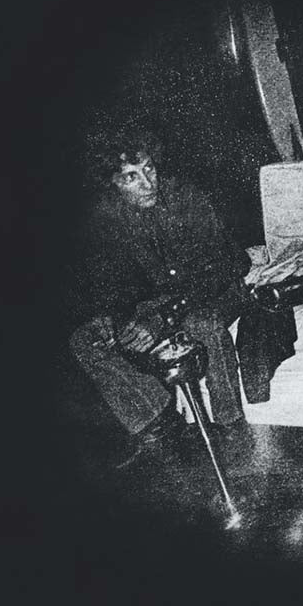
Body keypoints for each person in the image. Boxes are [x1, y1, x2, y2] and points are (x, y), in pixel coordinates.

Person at [69, 125, 252, 469]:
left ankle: (233, 428)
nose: (148, 183)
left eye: (149, 168)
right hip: (166, 300)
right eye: (131, 177)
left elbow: (228, 265)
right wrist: (114, 317)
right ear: (112, 184)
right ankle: (159, 422)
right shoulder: (108, 216)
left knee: (203, 324)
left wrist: (164, 315)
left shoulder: (186, 197)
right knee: (86, 339)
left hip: (217, 288)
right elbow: (112, 282)